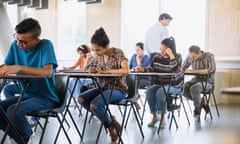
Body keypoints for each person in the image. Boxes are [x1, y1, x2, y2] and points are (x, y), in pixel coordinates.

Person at [0, 18, 58, 144]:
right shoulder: (15, 46)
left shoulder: (45, 45)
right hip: (26, 95)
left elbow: (48, 72)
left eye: (23, 42)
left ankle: (26, 136)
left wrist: (19, 67)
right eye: (17, 39)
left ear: (36, 40)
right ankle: (22, 137)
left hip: (46, 97)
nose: (19, 45)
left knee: (12, 110)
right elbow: (5, 67)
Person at [77, 27, 129, 142]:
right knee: (81, 99)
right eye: (93, 50)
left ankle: (110, 127)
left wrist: (107, 71)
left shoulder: (118, 53)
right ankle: (110, 123)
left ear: (107, 46)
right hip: (103, 88)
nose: (95, 53)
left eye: (98, 50)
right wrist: (92, 70)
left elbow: (125, 70)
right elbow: (88, 68)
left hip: (119, 89)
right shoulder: (98, 57)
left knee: (94, 105)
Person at [135, 37, 183, 128]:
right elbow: (152, 68)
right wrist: (143, 69)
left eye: (163, 49)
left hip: (175, 85)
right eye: (160, 49)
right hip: (160, 84)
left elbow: (175, 70)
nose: (160, 51)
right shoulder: (157, 57)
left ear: (169, 49)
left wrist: (172, 56)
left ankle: (163, 117)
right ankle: (154, 116)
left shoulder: (177, 57)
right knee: (149, 91)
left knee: (161, 92)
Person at [182, 45, 216, 117]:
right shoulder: (190, 56)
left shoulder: (209, 56)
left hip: (208, 82)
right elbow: (182, 67)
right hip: (195, 80)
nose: (192, 59)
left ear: (199, 53)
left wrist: (194, 71)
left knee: (194, 88)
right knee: (183, 88)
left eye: (194, 57)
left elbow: (211, 69)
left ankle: (197, 109)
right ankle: (202, 102)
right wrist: (183, 69)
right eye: (191, 57)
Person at [129, 42, 150, 109]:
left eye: (138, 50)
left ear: (143, 50)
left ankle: (134, 98)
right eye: (136, 50)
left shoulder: (146, 58)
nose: (137, 52)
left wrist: (138, 61)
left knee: (134, 82)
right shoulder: (133, 56)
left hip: (145, 79)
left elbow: (142, 69)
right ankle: (135, 97)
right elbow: (129, 68)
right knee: (129, 82)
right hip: (135, 78)